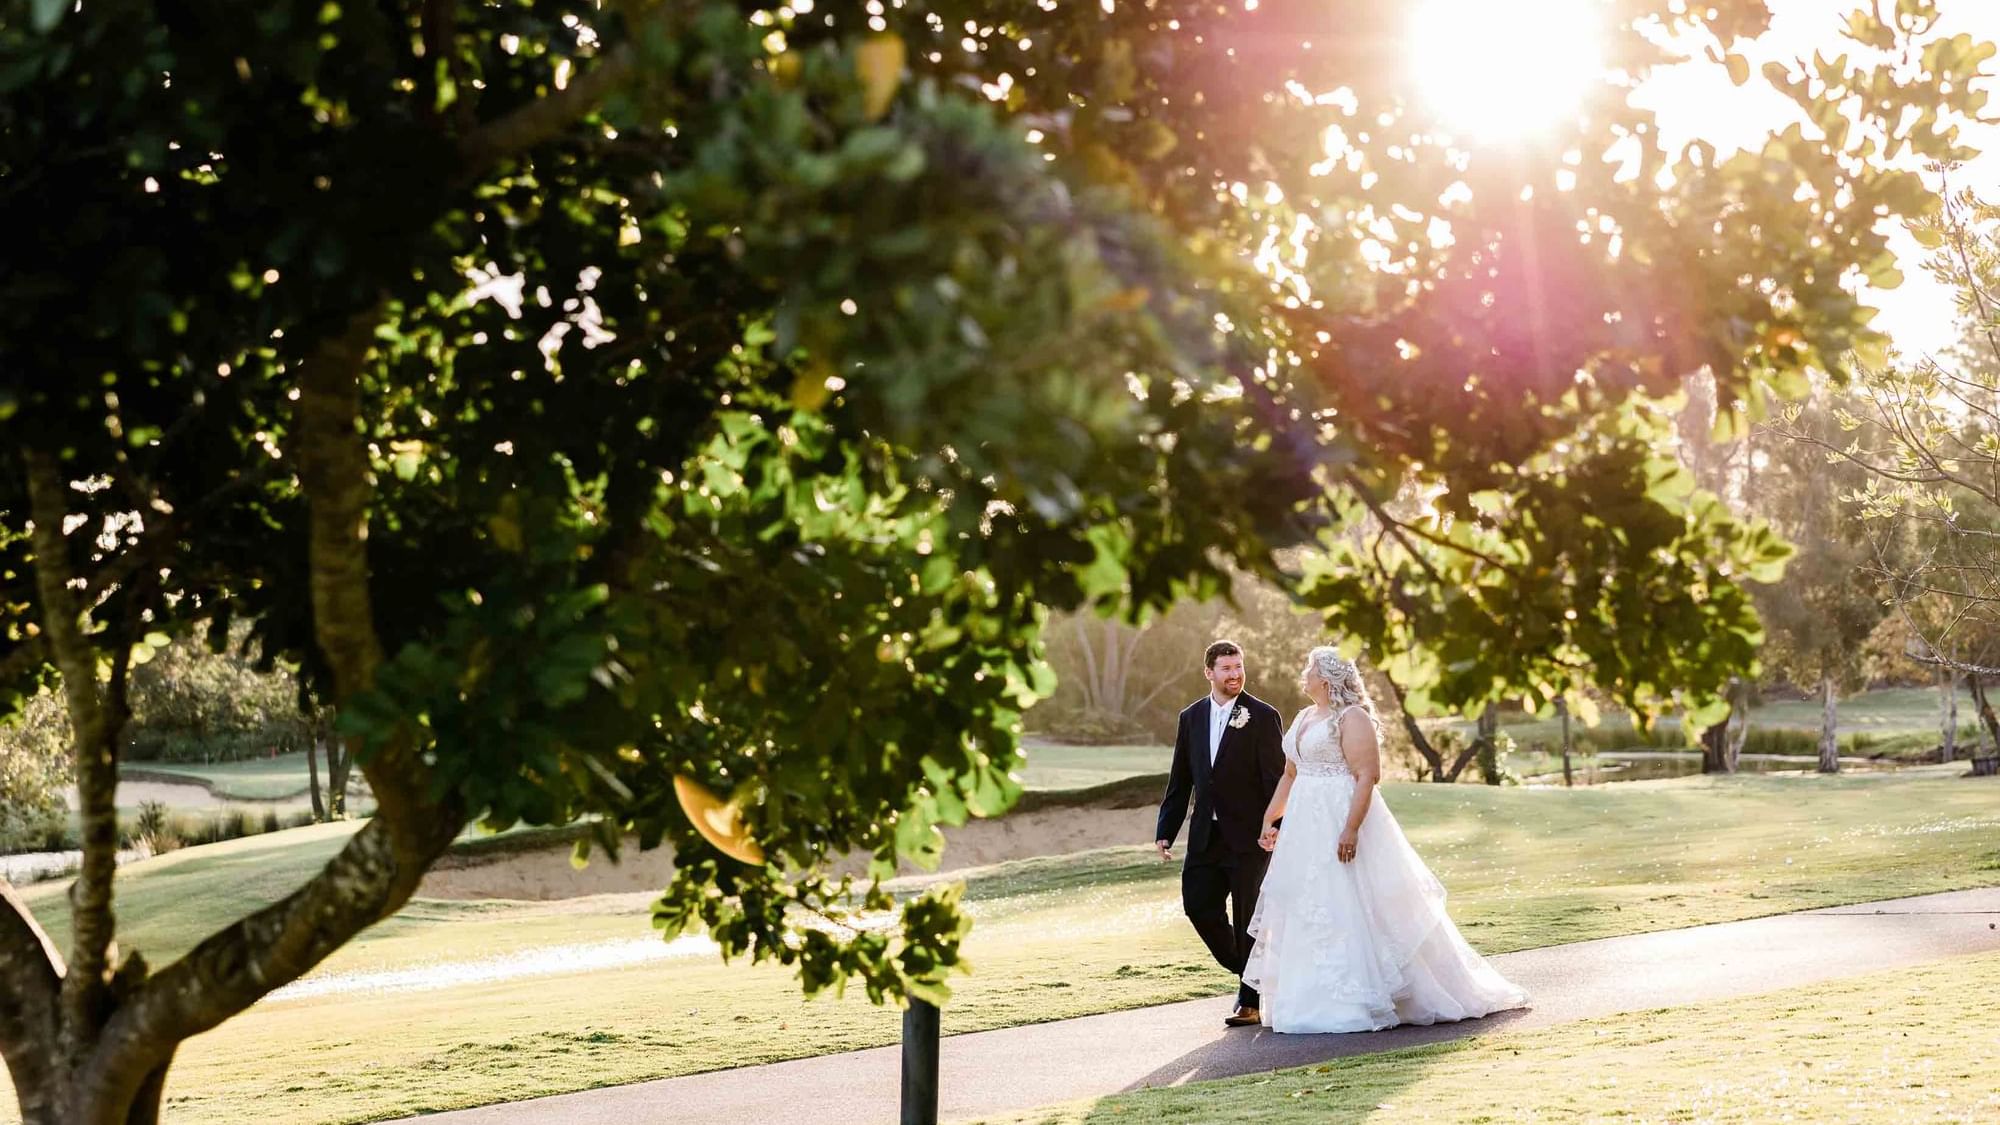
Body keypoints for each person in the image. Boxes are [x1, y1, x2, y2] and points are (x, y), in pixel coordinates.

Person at [1240, 646, 1528, 1033]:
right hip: (1304, 828)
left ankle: (1366, 996)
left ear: (1325, 679)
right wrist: (1270, 818)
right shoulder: (1304, 717)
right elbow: (1291, 775)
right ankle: (1310, 998)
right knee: (1309, 902)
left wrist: (1351, 828)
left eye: (1308, 669)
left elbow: (1366, 775)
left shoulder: (1351, 717)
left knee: (1350, 900)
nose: (1302, 675)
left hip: (1339, 816)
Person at [1153, 640, 1286, 1028]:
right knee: (1198, 905)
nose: (1234, 674)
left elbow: (1276, 778)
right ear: (1208, 672)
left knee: (1247, 917)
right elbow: (1181, 779)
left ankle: (1250, 1000)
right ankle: (1250, 970)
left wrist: (1275, 826)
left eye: (1238, 667)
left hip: (1250, 838)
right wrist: (1167, 829)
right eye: (1226, 668)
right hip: (1205, 837)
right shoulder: (1190, 717)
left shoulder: (1262, 716)